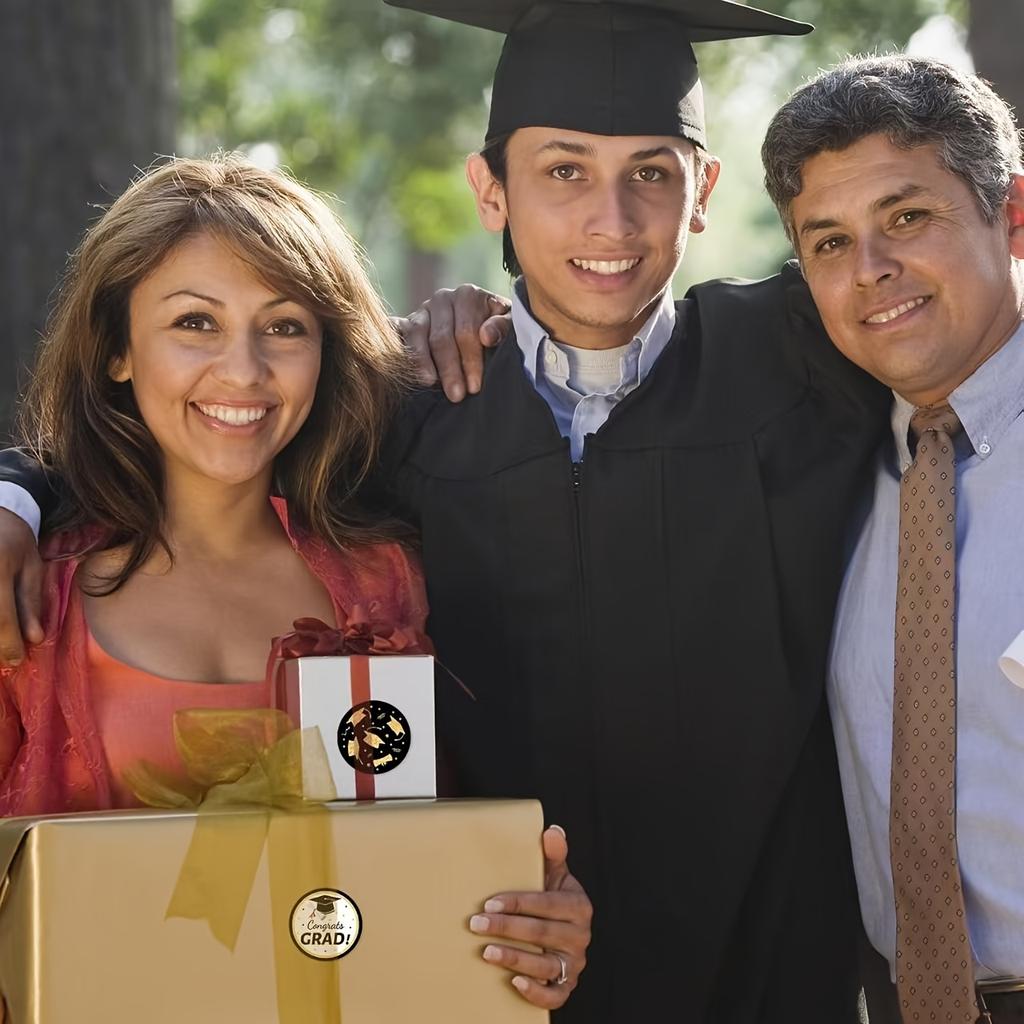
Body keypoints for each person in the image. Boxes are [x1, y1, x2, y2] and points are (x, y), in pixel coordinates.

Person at [0, 3, 892, 1020]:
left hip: (761, 978)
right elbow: (185, 446)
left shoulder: (800, 361)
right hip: (465, 984)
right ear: (489, 189)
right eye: (563, 170)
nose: (610, 220)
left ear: (703, 192)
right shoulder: (414, 424)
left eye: (651, 170)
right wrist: (15, 493)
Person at [0, 154, 591, 1009]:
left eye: (283, 327)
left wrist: (539, 931)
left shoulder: (400, 583)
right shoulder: (26, 596)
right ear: (117, 349)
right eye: (195, 322)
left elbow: (458, 870)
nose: (244, 372)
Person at [760, 56, 1024, 1024]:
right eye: (829, 241)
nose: (869, 269)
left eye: (907, 217)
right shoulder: (817, 474)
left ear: (1013, 214)